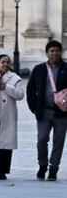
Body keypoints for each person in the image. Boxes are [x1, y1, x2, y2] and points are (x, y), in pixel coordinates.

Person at [26, 40, 67, 181]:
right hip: (44, 112)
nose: (55, 53)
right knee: (42, 139)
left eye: (57, 50)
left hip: (62, 113)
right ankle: (42, 164)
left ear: (61, 52)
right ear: (47, 53)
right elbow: (30, 89)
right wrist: (34, 108)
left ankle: (54, 168)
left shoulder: (66, 68)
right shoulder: (39, 69)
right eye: (52, 50)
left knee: (59, 142)